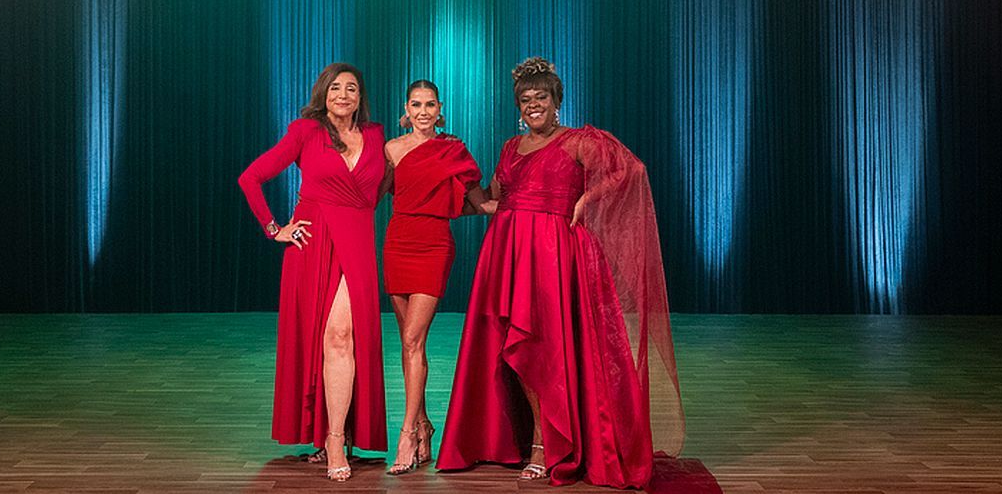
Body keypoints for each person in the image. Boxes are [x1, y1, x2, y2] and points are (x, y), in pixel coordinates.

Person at [436, 57, 685, 488]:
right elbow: (493, 199)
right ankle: (527, 439)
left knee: (546, 349)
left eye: (542, 98)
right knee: (513, 349)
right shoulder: (511, 148)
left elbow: (632, 171)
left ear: (556, 102)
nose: (534, 105)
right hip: (508, 253)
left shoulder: (579, 142)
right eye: (526, 99)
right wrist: (451, 172)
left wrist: (588, 199)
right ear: (518, 105)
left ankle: (543, 444)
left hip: (555, 257)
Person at [237, 62, 387, 482]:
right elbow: (250, 178)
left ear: (361, 97)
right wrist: (274, 229)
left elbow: (391, 184)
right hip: (314, 242)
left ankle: (336, 433)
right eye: (335, 88)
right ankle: (335, 439)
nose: (343, 94)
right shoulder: (306, 132)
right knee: (335, 337)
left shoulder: (376, 136)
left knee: (345, 338)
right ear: (323, 94)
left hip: (357, 245)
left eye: (351, 88)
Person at [380, 79, 486, 475]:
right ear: (405, 110)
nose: (423, 112)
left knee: (412, 339)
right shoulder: (391, 149)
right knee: (407, 343)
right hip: (397, 243)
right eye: (416, 104)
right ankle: (425, 426)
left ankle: (407, 433)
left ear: (440, 109)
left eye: (430, 105)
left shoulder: (453, 149)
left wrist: (528, 198)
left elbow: (481, 202)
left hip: (434, 245)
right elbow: (371, 195)